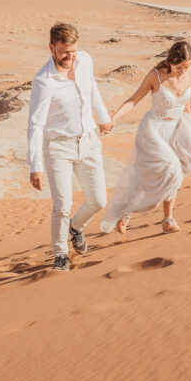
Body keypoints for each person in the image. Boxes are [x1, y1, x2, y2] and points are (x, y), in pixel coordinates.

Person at [98, 40, 191, 235]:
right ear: (171, 62)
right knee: (166, 172)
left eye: (187, 66)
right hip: (154, 131)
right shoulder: (156, 76)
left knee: (174, 174)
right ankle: (126, 210)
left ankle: (167, 220)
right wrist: (113, 118)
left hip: (177, 128)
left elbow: (186, 103)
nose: (183, 71)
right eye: (179, 67)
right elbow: (133, 100)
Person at [27, 22, 113, 271]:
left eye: (73, 51)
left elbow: (92, 89)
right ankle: (60, 254)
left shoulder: (85, 61)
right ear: (51, 48)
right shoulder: (43, 82)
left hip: (88, 142)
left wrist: (103, 117)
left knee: (98, 200)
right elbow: (35, 124)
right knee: (61, 205)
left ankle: (75, 227)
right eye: (65, 52)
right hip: (58, 149)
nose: (70, 56)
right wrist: (35, 165)